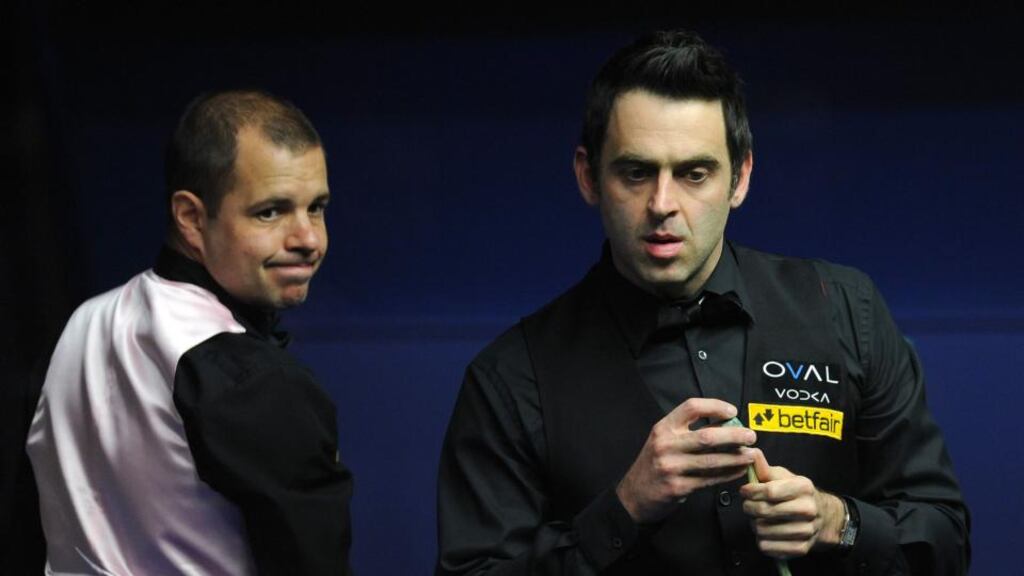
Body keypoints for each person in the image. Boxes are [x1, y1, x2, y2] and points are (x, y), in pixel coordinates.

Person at [436, 30, 969, 575]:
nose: (662, 204)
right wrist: (623, 511)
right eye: (636, 172)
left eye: (695, 173)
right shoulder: (510, 378)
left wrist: (841, 523)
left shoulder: (846, 311)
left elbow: (945, 539)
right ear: (588, 176)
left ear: (739, 178)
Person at [25, 90, 353, 575]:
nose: (307, 239)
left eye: (317, 207)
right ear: (191, 218)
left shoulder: (82, 323)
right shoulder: (254, 379)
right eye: (270, 211)